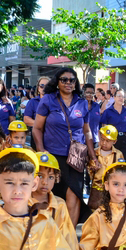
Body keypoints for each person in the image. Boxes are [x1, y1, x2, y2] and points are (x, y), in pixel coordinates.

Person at [32, 67, 97, 226]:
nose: (68, 83)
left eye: (72, 80)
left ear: (76, 84)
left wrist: (92, 155)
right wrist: (41, 150)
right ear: (57, 82)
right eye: (64, 80)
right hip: (53, 156)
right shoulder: (48, 100)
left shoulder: (82, 103)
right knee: (52, 194)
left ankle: (69, 237)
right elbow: (37, 128)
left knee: (74, 194)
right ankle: (49, 231)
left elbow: (87, 131)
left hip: (76, 156)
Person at [89, 125, 123, 211]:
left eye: (108, 141)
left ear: (114, 141)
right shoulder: (95, 153)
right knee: (94, 211)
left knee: (111, 211)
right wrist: (93, 168)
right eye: (102, 139)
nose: (104, 143)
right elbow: (89, 170)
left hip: (111, 190)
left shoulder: (118, 154)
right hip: (96, 189)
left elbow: (121, 172)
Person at [100, 90, 126, 159]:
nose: (121, 98)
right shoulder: (108, 112)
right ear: (114, 97)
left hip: (124, 140)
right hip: (112, 140)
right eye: (119, 96)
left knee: (123, 162)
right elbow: (104, 128)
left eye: (123, 97)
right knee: (112, 160)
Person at [82, 83, 101, 149]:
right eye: (88, 92)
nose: (90, 95)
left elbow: (98, 125)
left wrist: (99, 140)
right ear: (83, 93)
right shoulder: (78, 105)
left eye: (92, 93)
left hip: (94, 140)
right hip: (81, 140)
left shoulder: (97, 106)